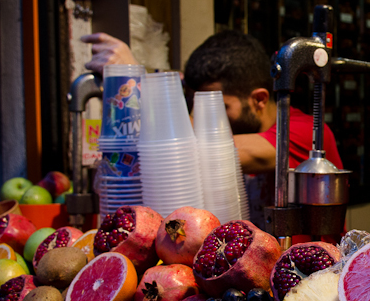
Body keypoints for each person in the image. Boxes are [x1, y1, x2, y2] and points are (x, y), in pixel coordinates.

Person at [83, 29, 344, 229]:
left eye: (216, 105)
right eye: (196, 102)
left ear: (259, 99)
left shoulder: (304, 132)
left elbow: (190, 154)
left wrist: (135, 81)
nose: (201, 117)